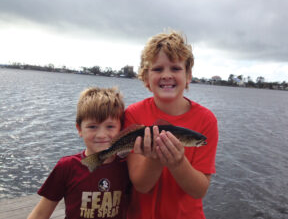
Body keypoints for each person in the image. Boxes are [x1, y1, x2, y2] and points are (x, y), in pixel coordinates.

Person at [125, 30, 218, 219]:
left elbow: (199, 190)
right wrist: (156, 158)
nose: (166, 75)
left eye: (175, 68)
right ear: (145, 77)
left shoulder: (206, 121)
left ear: (188, 75)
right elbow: (141, 185)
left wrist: (178, 163)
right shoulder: (133, 115)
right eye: (158, 69)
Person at [28, 87, 131, 219]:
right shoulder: (67, 167)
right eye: (92, 127)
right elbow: (40, 213)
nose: (101, 135)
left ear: (121, 129)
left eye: (110, 126)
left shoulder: (126, 165)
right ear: (79, 128)